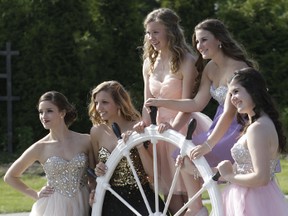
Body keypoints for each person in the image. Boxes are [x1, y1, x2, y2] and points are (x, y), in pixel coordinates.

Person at [145, 18, 258, 215]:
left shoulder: (239, 69)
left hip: (240, 127)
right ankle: (196, 208)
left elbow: (231, 112)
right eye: (197, 42)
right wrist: (161, 102)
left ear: (219, 40)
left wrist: (208, 145)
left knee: (196, 156)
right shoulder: (210, 69)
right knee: (182, 155)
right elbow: (196, 103)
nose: (199, 46)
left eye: (204, 40)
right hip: (219, 124)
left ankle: (218, 198)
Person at [133, 8, 212, 215]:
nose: (151, 38)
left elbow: (188, 104)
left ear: (170, 32)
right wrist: (145, 125)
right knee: (170, 197)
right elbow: (147, 103)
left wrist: (173, 131)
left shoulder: (187, 61)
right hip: (160, 132)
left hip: (183, 128)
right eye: (148, 33)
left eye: (156, 32)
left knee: (190, 197)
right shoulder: (148, 63)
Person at [4, 91, 95, 216]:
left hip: (83, 203)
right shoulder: (39, 147)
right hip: (53, 207)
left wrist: (94, 192)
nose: (43, 116)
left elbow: (93, 176)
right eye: (41, 112)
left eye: (49, 111)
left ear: (62, 113)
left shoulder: (86, 140)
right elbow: (10, 177)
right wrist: (35, 194)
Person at [217, 67, 288, 215]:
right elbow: (246, 169)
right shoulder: (259, 124)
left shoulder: (258, 128)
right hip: (255, 197)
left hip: (252, 202)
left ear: (253, 90)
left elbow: (261, 178)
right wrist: (193, 168)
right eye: (230, 94)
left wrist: (230, 176)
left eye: (236, 91)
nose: (232, 98)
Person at [88, 80, 165, 215]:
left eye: (104, 102)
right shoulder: (96, 132)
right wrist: (98, 170)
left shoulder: (138, 126)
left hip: (141, 198)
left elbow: (152, 172)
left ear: (119, 103)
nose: (99, 107)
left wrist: (138, 142)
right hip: (110, 201)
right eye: (96, 102)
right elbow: (95, 171)